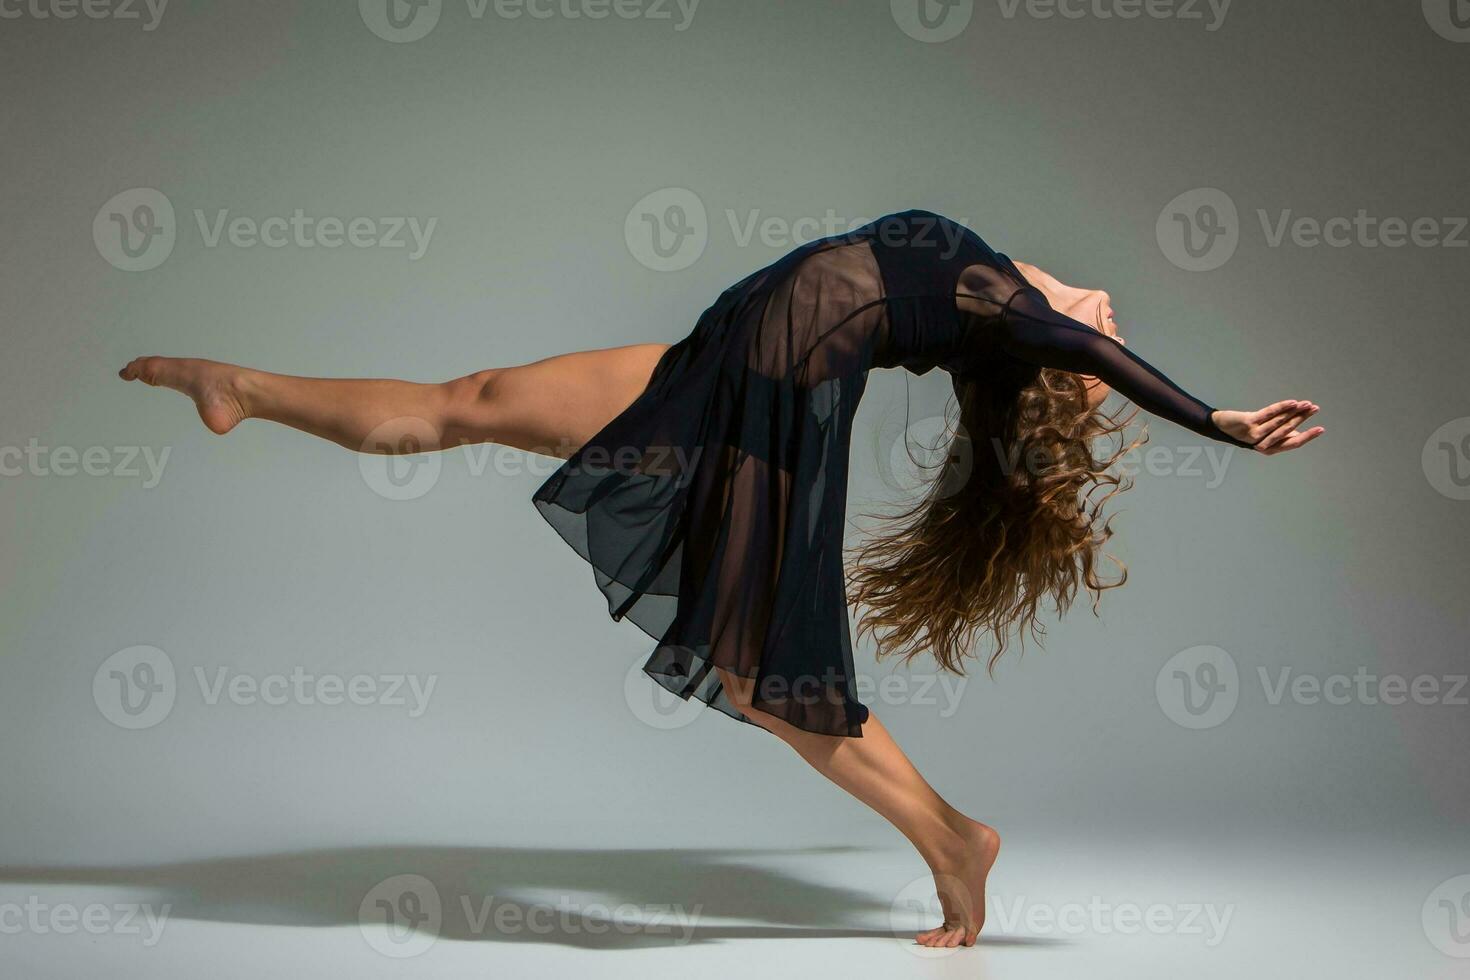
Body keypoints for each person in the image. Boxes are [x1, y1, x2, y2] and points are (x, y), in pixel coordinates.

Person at [119, 209, 1322, 948]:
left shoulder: (1016, 312)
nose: (1109, 316)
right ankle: (244, 384)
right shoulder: (1005, 275)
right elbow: (1073, 323)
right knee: (475, 398)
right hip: (726, 354)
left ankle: (956, 837)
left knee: (763, 674)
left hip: (771, 397)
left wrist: (1214, 416)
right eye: (1103, 331)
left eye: (1102, 352)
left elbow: (1082, 340)